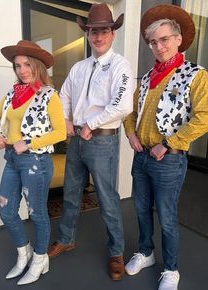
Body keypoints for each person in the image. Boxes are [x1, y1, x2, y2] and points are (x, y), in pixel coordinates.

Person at [124, 4, 208, 290]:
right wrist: (130, 134)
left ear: (178, 39)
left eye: (164, 39)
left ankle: (171, 269)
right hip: (141, 157)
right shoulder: (147, 78)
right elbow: (130, 112)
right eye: (153, 42)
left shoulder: (196, 75)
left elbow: (204, 118)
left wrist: (169, 143)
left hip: (169, 160)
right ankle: (146, 253)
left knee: (167, 217)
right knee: (140, 210)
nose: (158, 46)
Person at [48, 3, 133, 281]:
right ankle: (66, 238)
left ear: (112, 34)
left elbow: (122, 105)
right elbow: (64, 96)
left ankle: (116, 253)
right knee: (71, 193)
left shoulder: (120, 65)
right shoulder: (79, 67)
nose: (98, 37)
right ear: (88, 34)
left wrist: (91, 124)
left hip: (101, 142)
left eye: (104, 31)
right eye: (93, 32)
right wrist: (67, 121)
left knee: (107, 199)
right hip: (77, 141)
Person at [0, 40, 66, 285]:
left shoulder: (49, 94)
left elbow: (61, 132)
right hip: (11, 159)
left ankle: (40, 259)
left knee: (37, 213)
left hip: (35, 161)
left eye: (26, 64)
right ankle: (25, 253)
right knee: (7, 211)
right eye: (17, 65)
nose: (21, 70)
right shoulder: (13, 92)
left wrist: (29, 142)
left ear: (37, 66)